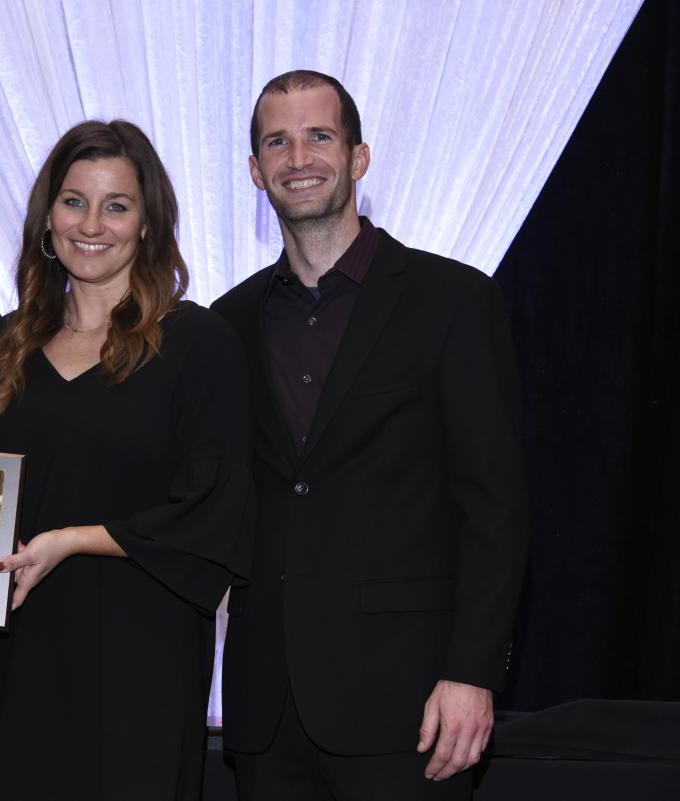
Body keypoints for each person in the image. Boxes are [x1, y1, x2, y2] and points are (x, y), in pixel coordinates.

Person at [211, 70, 530, 800]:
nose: (299, 158)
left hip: (412, 707)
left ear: (358, 157)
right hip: (268, 714)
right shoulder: (225, 324)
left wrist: (474, 670)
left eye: (319, 136)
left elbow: (496, 509)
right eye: (277, 142)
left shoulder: (454, 302)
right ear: (255, 171)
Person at [0, 120, 254, 801]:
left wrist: (71, 541)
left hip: (134, 667)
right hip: (9, 657)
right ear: (47, 220)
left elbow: (215, 508)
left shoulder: (197, 344)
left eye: (116, 205)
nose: (93, 223)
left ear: (147, 224)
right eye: (74, 201)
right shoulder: (5, 343)